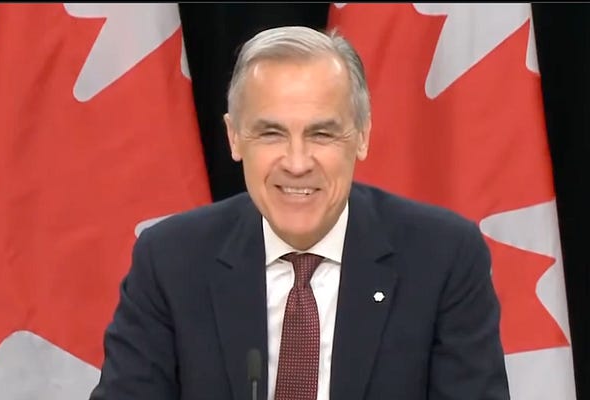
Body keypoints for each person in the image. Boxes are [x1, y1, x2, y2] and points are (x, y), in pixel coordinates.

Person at [89, 26, 509, 400]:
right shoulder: (170, 261)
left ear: (362, 136)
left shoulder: (443, 258)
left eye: (321, 134)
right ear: (235, 138)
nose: (296, 162)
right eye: (271, 133)